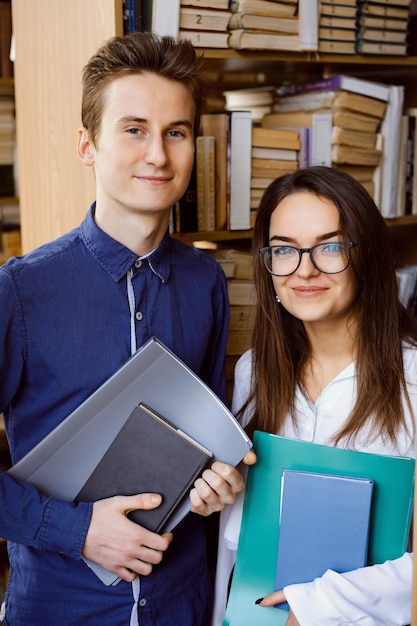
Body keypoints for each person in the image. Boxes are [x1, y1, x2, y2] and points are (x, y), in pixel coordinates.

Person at [0, 31, 255, 626]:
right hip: (62, 609)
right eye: (134, 129)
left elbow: (207, 431)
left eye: (177, 132)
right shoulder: (21, 289)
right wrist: (79, 529)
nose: (158, 156)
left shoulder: (206, 282)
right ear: (88, 145)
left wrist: (216, 487)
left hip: (183, 605)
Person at [212, 165, 417, 626]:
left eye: (329, 246)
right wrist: (218, 494)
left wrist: (318, 605)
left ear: (365, 255)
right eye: (284, 250)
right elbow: (242, 540)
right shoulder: (254, 371)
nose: (304, 270)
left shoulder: (413, 378)